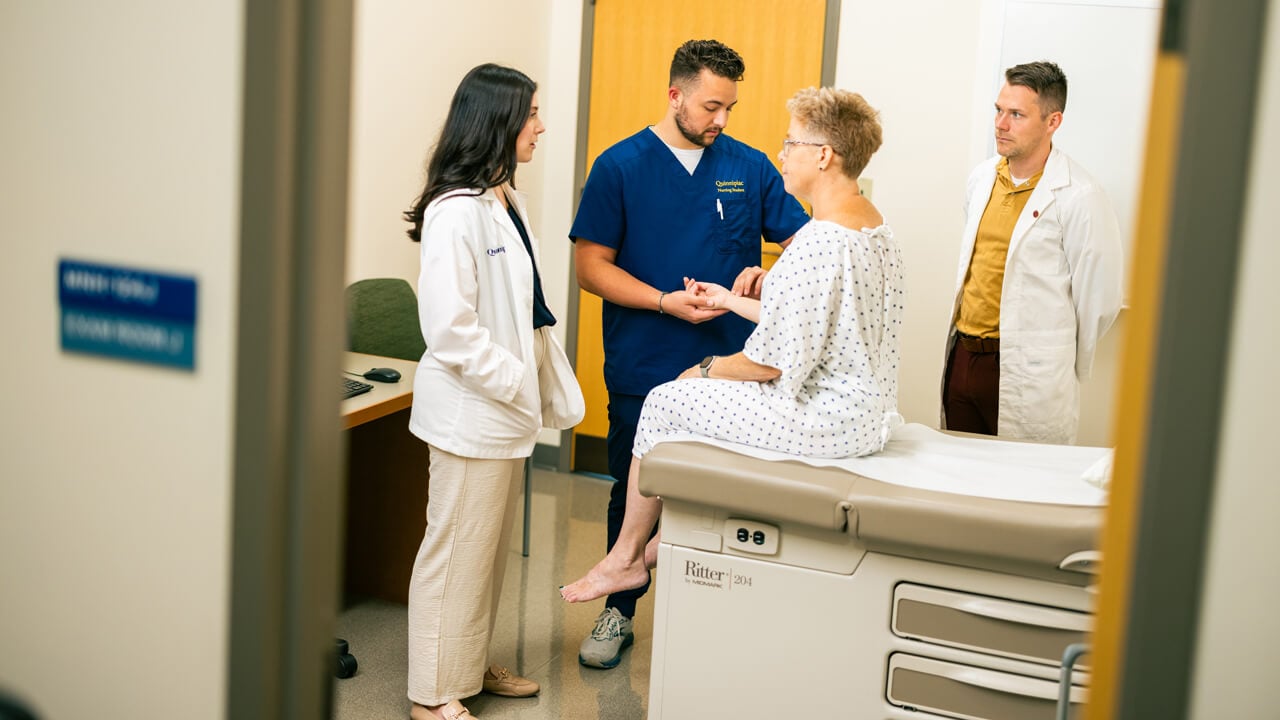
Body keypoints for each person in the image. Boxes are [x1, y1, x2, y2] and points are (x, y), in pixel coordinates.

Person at [561, 87, 903, 605]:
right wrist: (730, 299)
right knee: (673, 407)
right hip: (865, 415)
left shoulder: (816, 241)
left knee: (665, 400)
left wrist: (703, 368)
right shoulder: (873, 227)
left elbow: (770, 362)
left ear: (824, 155)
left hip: (826, 421)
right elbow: (816, 325)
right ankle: (646, 551)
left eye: (791, 143)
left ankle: (628, 557)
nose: (782, 153)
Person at [568, 38, 811, 669]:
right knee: (636, 488)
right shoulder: (619, 167)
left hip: (731, 367)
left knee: (725, 495)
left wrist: (769, 273)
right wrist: (660, 301)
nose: (720, 120)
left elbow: (809, 244)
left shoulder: (750, 166)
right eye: (710, 106)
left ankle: (719, 619)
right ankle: (618, 613)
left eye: (729, 107)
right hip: (646, 360)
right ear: (674, 95)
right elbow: (591, 267)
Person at [403, 63, 574, 720]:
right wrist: (516, 381)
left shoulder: (505, 198)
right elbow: (449, 330)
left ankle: (467, 664)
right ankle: (433, 695)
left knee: (485, 554)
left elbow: (518, 307)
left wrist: (528, 384)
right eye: (531, 114)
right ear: (498, 121)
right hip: (472, 411)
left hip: (503, 412)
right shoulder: (455, 211)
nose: (540, 125)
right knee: (454, 553)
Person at [942, 60, 1123, 444]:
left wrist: (1049, 354)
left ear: (1052, 121)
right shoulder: (982, 178)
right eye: (999, 111)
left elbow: (1100, 300)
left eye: (1017, 115)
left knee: (1019, 487)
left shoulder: (1080, 195)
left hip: (1027, 370)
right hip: (963, 357)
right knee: (958, 479)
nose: (1001, 124)